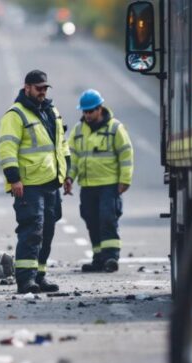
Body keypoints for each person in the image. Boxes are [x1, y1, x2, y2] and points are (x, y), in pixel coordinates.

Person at [0, 70, 69, 294]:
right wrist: (14, 179)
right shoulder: (15, 115)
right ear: (27, 87)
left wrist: (67, 174)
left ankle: (39, 275)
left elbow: (61, 145)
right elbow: (7, 149)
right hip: (28, 185)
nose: (42, 92)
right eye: (39, 88)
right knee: (32, 230)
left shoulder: (51, 111)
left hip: (51, 182)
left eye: (45, 88)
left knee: (47, 231)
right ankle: (25, 280)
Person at [64, 89, 134, 273]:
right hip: (87, 186)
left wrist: (124, 180)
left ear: (100, 108)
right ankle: (98, 258)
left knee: (108, 219)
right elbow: (74, 157)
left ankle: (111, 257)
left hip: (109, 185)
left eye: (90, 111)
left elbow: (126, 155)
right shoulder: (78, 131)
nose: (87, 115)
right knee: (91, 221)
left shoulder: (115, 129)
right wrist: (69, 177)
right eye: (84, 111)